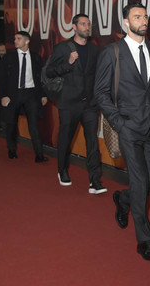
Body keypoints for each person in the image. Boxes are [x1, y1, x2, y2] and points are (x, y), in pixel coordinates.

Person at [95, 2, 150, 261]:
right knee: (140, 181)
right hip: (128, 128)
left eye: (145, 16)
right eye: (137, 17)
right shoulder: (112, 52)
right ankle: (144, 241)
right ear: (126, 22)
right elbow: (100, 93)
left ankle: (124, 199)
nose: (143, 20)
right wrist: (119, 123)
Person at [45, 13, 106, 194]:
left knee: (92, 142)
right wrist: (68, 63)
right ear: (74, 27)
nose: (87, 27)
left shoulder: (95, 49)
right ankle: (62, 170)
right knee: (65, 139)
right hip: (69, 103)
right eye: (83, 24)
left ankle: (95, 181)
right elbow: (49, 72)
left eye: (88, 24)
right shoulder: (63, 48)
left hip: (90, 104)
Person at [0, 31, 48, 161]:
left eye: (18, 39)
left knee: (34, 125)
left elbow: (40, 78)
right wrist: (4, 95)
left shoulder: (36, 57)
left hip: (31, 94)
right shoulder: (8, 57)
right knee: (11, 124)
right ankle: (12, 150)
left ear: (27, 41)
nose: (15, 41)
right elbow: (1, 78)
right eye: (15, 38)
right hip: (13, 94)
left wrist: (43, 95)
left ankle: (39, 154)